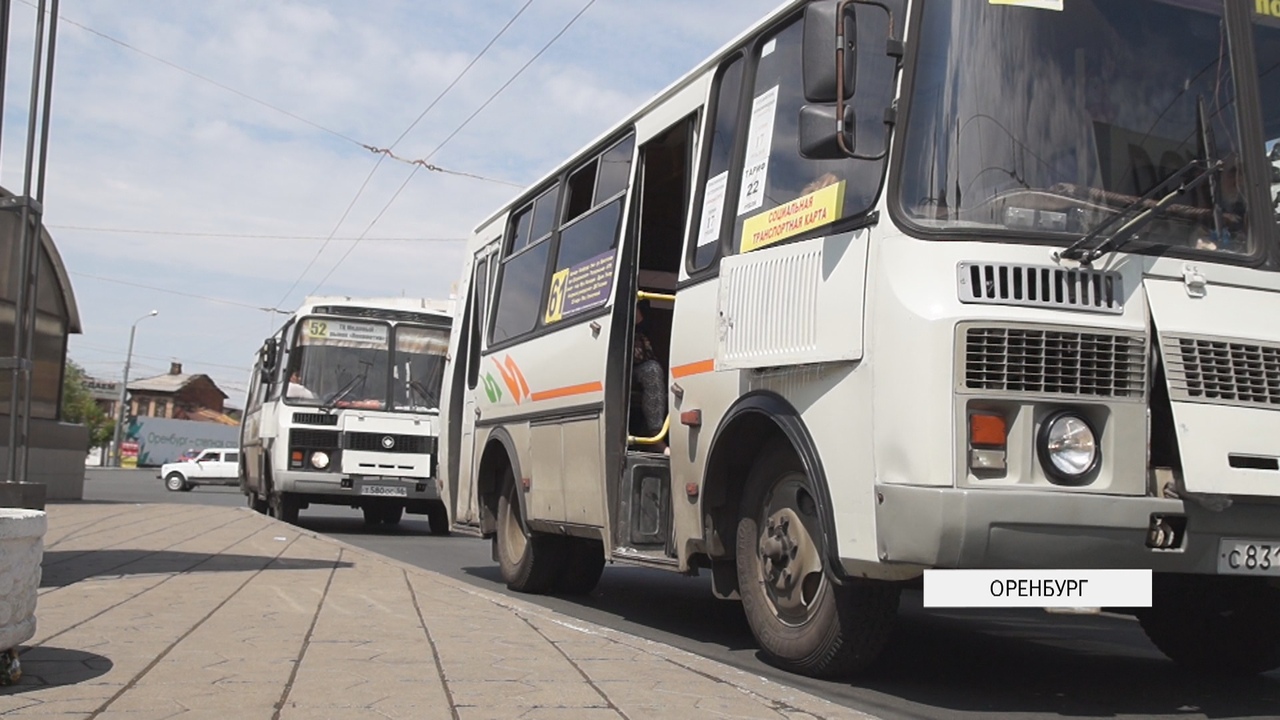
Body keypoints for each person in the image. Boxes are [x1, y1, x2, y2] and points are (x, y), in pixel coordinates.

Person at [632, 300, 668, 453]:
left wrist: (634, 304)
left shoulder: (643, 303)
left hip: (638, 363)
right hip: (611, 363)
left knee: (652, 370)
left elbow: (644, 326)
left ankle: (655, 434)